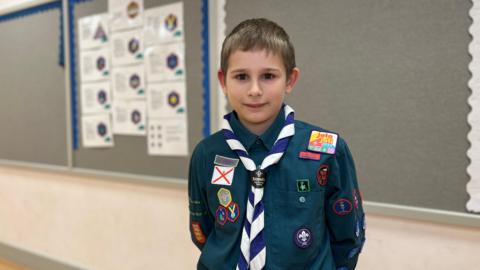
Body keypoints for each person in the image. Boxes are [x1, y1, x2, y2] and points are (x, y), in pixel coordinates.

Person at [188, 18, 365, 270]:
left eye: (268, 76)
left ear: (290, 80)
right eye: (241, 77)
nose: (254, 90)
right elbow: (202, 232)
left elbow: (347, 238)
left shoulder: (328, 150)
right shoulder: (207, 153)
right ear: (223, 81)